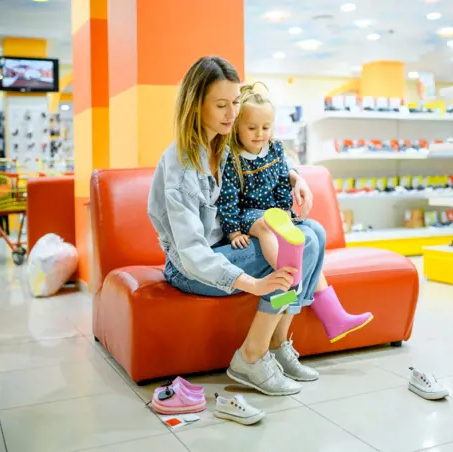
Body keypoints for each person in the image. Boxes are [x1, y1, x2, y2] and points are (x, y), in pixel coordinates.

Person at [148, 56, 320, 396]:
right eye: (222, 105)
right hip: (190, 267)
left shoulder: (222, 144)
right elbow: (192, 253)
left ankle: (276, 345)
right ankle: (252, 357)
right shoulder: (182, 167)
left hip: (225, 249)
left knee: (314, 231)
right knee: (304, 243)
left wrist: (295, 176)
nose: (232, 114)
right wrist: (253, 283)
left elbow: (262, 158)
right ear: (197, 106)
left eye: (236, 103)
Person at [216, 82, 374, 342]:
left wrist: (290, 198)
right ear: (237, 128)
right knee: (268, 227)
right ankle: (288, 278)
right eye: (252, 128)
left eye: (265, 128)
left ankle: (333, 316)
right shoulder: (233, 158)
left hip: (276, 212)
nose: (259, 134)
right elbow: (229, 197)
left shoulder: (276, 149)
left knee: (315, 232)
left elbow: (281, 177)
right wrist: (233, 231)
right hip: (250, 216)